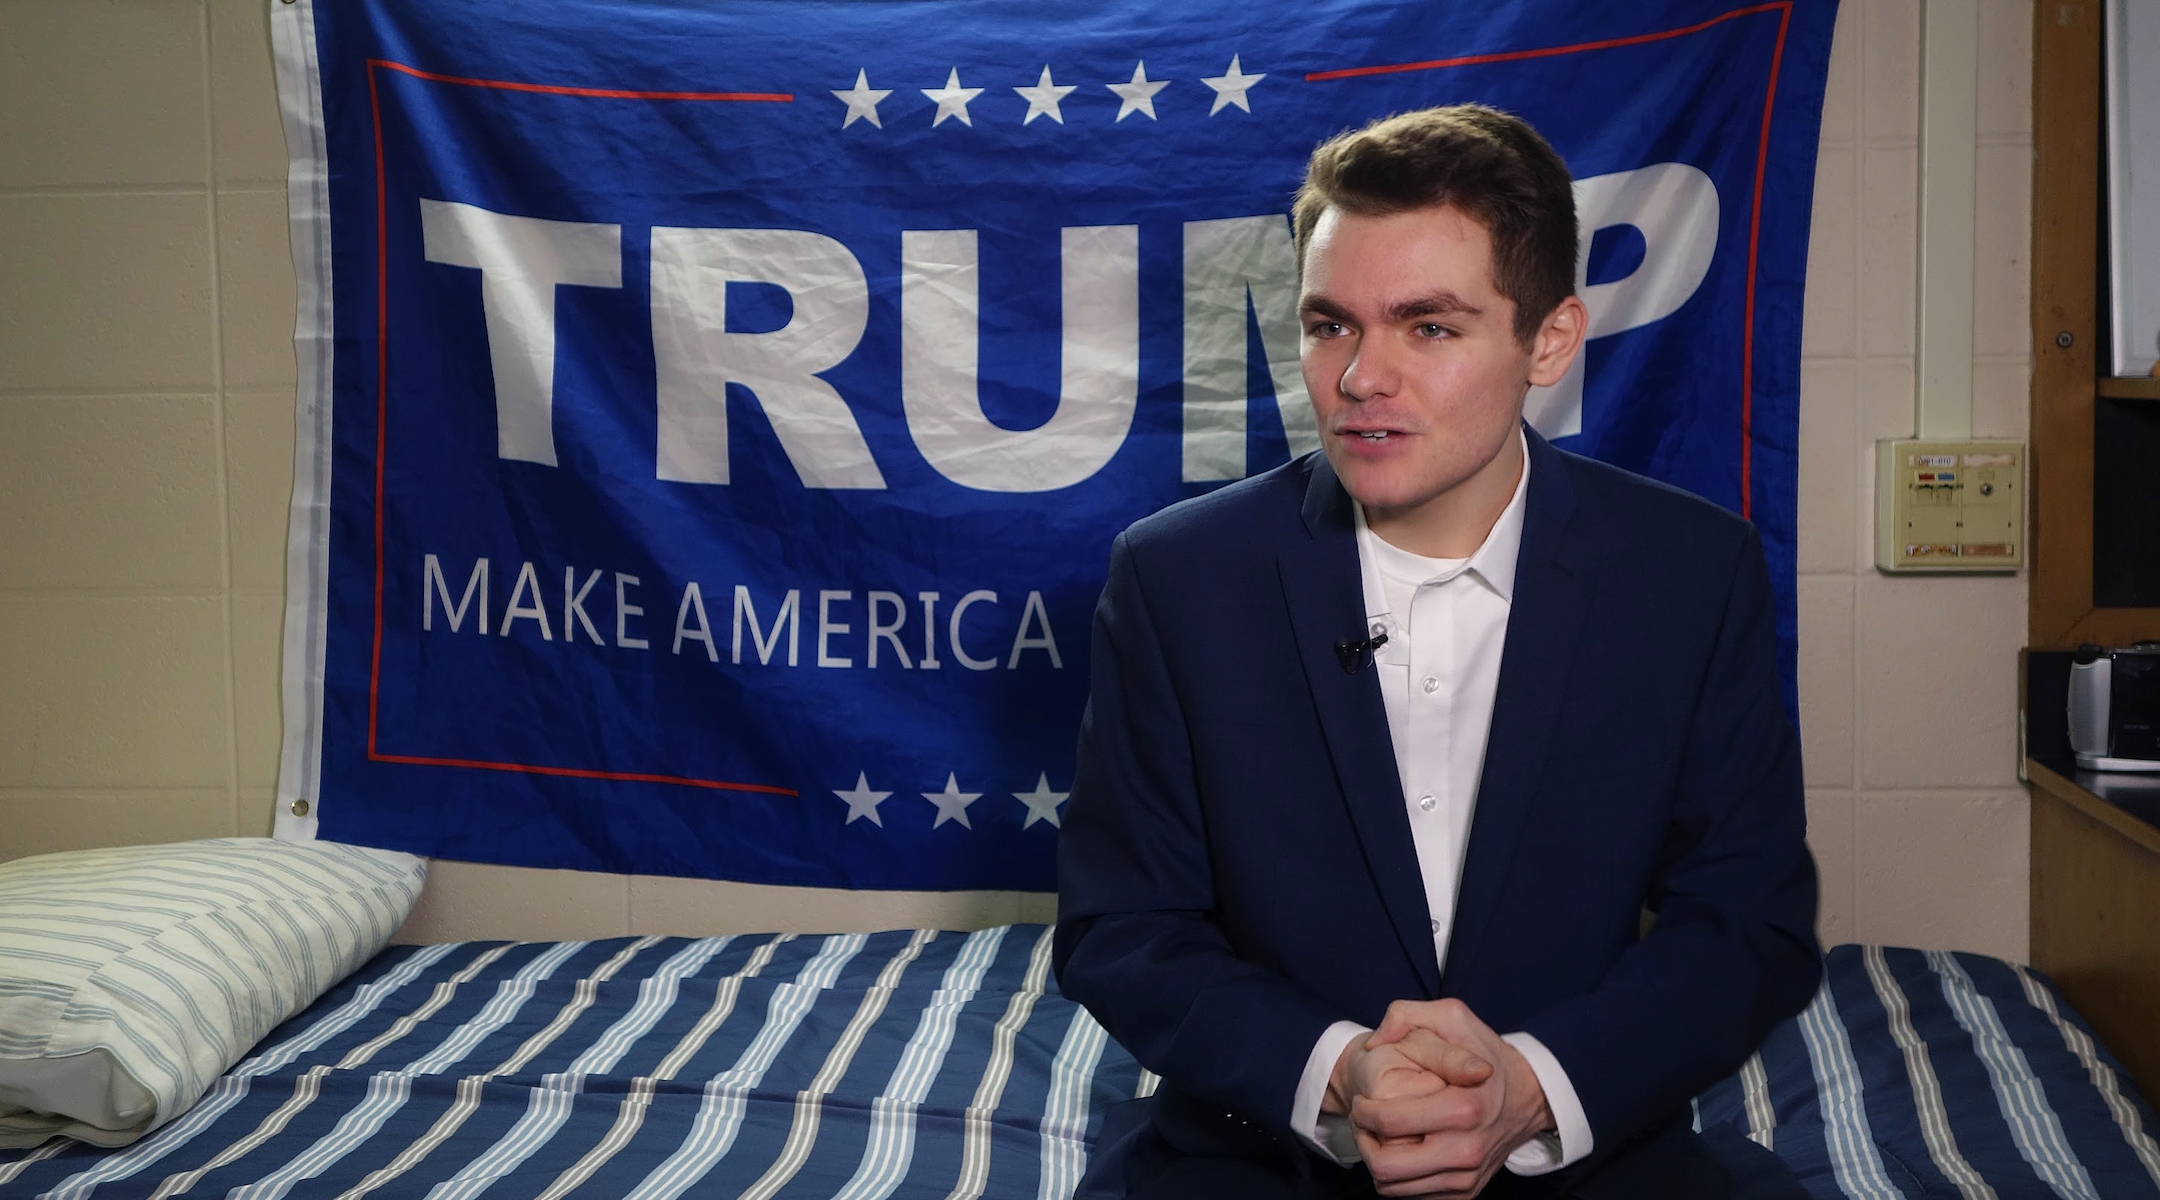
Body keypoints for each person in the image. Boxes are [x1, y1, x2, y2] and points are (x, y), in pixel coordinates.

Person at [1054, 104, 1821, 1199]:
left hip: (1591, 1163)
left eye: (1429, 327)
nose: (1363, 377)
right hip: (1258, 1163)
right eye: (1330, 325)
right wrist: (1338, 1074)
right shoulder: (1176, 579)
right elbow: (1121, 929)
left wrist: (1533, 1088)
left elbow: (1750, 924)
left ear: (1549, 340)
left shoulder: (1691, 574)